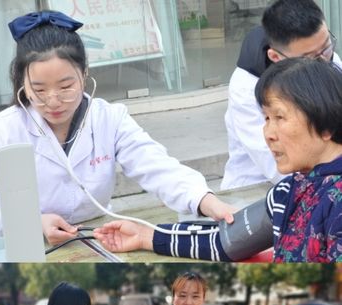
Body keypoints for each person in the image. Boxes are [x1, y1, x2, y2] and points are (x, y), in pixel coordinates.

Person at [0, 11, 234, 245]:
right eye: (39, 90)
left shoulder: (109, 119)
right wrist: (35, 223)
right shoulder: (3, 131)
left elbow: (156, 165)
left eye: (65, 87)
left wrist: (203, 199)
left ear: (84, 74)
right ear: (22, 83)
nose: (53, 101)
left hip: (100, 235)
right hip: (31, 244)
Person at [95, 58, 342, 263]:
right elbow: (228, 241)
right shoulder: (289, 191)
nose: (268, 133)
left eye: (280, 117)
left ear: (326, 124)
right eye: (266, 118)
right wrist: (145, 236)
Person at [222, 0, 341, 190]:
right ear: (275, 57)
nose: (324, 62)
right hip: (257, 189)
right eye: (309, 58)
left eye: (326, 47)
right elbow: (275, 165)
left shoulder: (325, 57)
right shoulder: (246, 87)